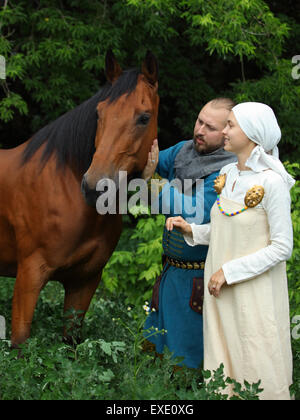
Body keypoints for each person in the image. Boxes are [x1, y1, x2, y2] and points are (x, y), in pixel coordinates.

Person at [166, 102, 295, 399]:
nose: (224, 131)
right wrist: (192, 230)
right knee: (224, 367)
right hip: (220, 292)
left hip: (252, 292)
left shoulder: (271, 183)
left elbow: (282, 247)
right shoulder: (228, 173)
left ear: (252, 134)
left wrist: (230, 271)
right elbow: (227, 229)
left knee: (254, 360)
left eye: (231, 126)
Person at [141, 98, 237, 369]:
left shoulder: (227, 171)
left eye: (210, 127)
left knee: (187, 357)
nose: (200, 130)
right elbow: (148, 158)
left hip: (197, 278)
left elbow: (197, 211)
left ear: (226, 131)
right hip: (171, 272)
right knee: (158, 352)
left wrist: (152, 181)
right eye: (199, 121)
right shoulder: (184, 151)